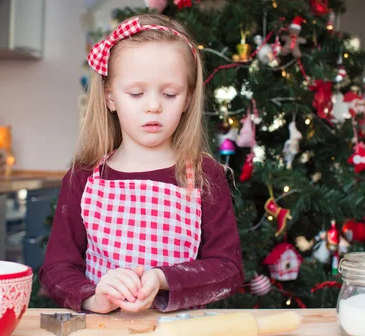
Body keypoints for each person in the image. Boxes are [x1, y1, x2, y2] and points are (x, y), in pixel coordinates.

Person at [39, 13, 243, 314]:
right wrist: (96, 298)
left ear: (187, 99)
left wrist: (162, 279)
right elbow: (56, 270)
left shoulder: (205, 176)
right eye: (136, 93)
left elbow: (228, 271)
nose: (153, 106)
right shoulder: (83, 178)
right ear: (110, 97)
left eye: (170, 93)